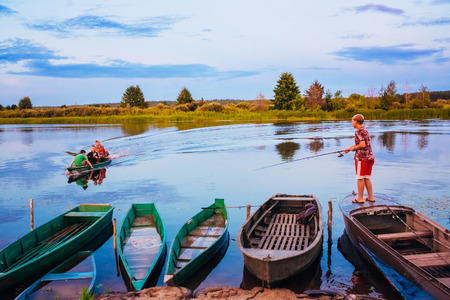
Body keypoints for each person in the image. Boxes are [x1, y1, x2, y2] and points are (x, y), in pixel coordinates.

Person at [344, 114, 375, 203]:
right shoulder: (365, 130)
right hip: (370, 158)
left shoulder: (358, 131)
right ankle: (371, 198)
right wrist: (349, 149)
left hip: (362, 159)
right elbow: (359, 143)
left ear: (356, 121)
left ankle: (360, 199)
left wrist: (354, 149)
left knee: (360, 178)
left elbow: (362, 145)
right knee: (366, 178)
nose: (352, 123)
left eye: (352, 121)